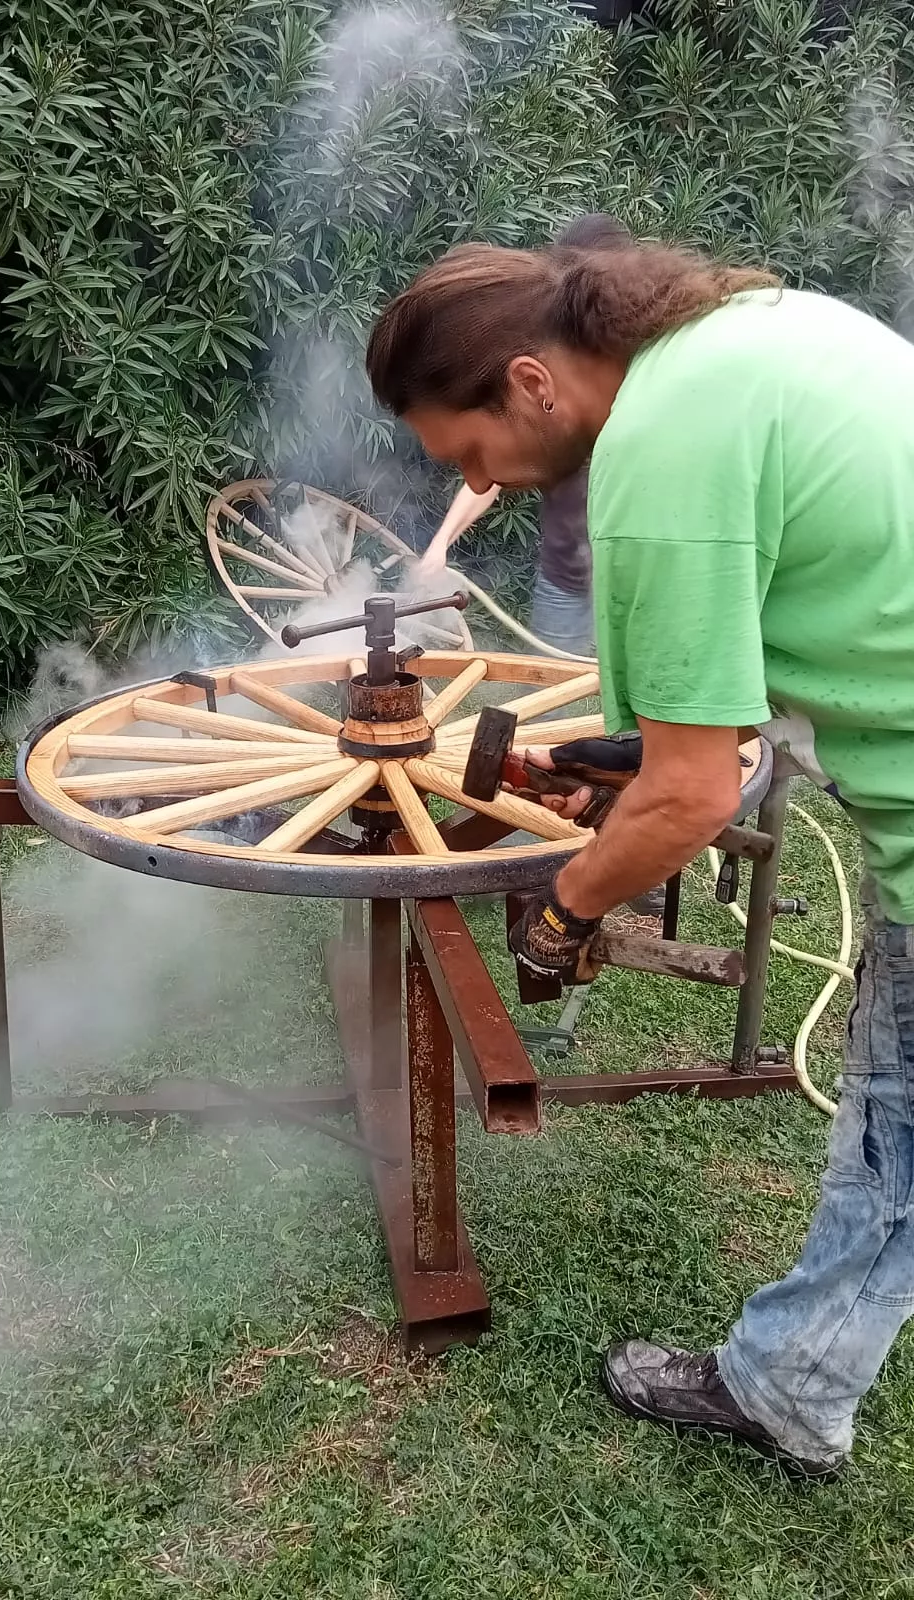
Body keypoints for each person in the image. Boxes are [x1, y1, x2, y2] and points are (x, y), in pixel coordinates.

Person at [366, 237, 914, 1481]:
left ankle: (787, 1389)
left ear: (529, 383)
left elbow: (690, 797)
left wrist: (562, 908)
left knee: (897, 1125)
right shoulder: (751, 336)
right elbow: (821, 608)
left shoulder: (659, 456)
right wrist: (635, 753)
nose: (478, 479)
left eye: (467, 451)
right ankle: (800, 1375)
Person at [417, 213, 633, 657]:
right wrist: (440, 544)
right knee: (547, 703)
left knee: (646, 712)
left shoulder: (653, 377)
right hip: (565, 581)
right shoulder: (543, 368)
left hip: (637, 582)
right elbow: (490, 474)